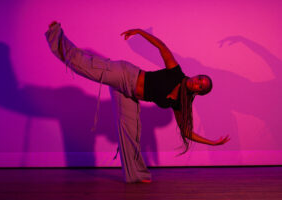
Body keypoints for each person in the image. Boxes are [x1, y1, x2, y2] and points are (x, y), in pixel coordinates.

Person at [45, 21, 230, 183]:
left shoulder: (181, 103)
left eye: (200, 85)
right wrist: (141, 32)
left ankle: (136, 175)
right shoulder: (176, 73)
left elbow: (186, 131)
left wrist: (212, 143)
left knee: (130, 133)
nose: (197, 82)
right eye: (199, 78)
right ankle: (56, 34)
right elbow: (163, 48)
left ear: (199, 92)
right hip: (127, 74)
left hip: (129, 94)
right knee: (88, 67)